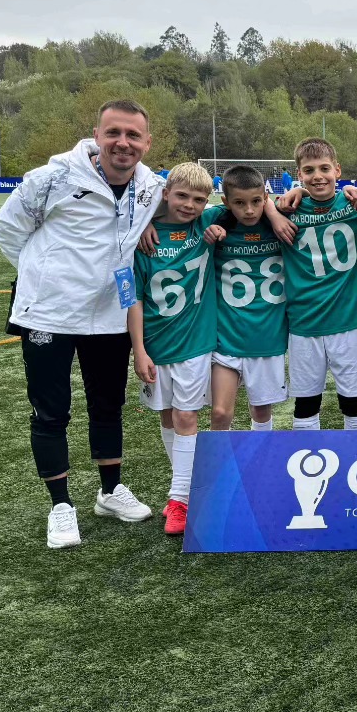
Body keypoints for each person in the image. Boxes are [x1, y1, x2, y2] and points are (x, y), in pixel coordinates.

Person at [0, 100, 159, 548]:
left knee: (108, 405)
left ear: (147, 142)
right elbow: (6, 230)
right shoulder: (51, 178)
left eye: (133, 135)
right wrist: (45, 277)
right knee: (51, 411)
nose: (123, 143)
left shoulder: (151, 187)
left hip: (110, 314)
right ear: (96, 135)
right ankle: (61, 505)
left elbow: (190, 208)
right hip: (50, 313)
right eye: (114, 132)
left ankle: (110, 491)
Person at [127, 161, 217, 534]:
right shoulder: (140, 238)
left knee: (185, 417)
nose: (189, 205)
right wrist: (138, 349)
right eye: (181, 196)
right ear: (165, 195)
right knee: (167, 416)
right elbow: (134, 299)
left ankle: (180, 498)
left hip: (195, 342)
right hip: (156, 342)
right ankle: (185, 488)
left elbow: (254, 203)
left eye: (199, 199)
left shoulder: (206, 223)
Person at [282, 138, 357, 431]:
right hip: (304, 320)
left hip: (346, 319)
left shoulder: (356, 204)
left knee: (354, 402)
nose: (317, 176)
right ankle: (306, 458)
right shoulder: (287, 210)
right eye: (309, 170)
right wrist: (276, 208)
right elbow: (249, 205)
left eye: (324, 168)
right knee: (306, 404)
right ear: (299, 174)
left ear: (337, 170)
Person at [206, 165, 291, 435]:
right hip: (227, 335)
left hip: (267, 335)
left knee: (262, 411)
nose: (250, 210)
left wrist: (274, 213)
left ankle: (260, 459)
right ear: (225, 201)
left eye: (256, 202)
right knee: (220, 412)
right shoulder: (214, 220)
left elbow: (307, 197)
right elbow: (172, 211)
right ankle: (220, 462)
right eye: (239, 203)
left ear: (265, 197)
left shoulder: (279, 221)